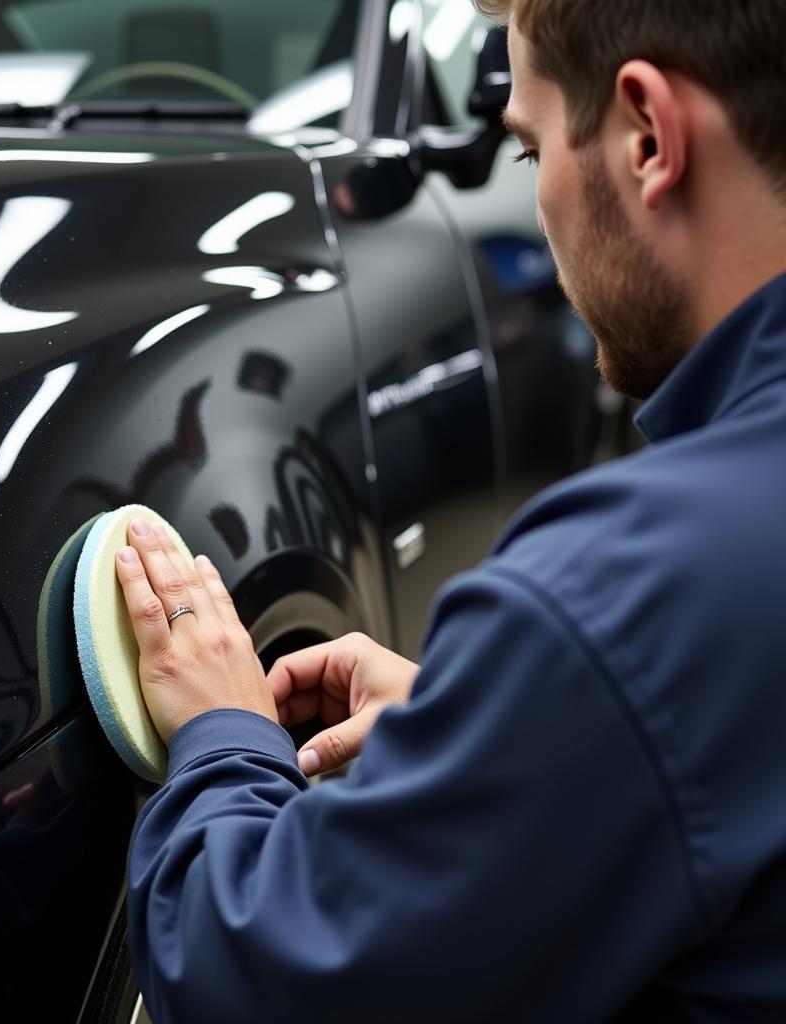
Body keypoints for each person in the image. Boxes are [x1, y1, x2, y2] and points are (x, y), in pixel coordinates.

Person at [114, 0, 786, 1019]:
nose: (543, 204)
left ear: (646, 135)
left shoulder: (621, 593)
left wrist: (223, 736)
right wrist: (504, 733)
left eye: (526, 151)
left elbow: (250, 979)